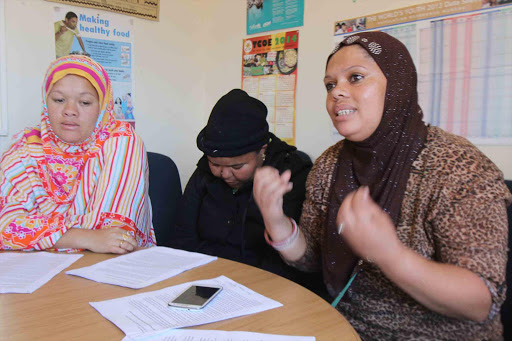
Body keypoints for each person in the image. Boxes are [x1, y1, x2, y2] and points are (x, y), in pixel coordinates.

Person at [253, 32, 511, 339]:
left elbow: (481, 302)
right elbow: (311, 260)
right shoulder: (328, 165)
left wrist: (390, 254)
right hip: (342, 328)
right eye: (330, 85)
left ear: (397, 85)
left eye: (356, 77)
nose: (337, 93)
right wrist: (276, 220)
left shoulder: (459, 166)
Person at [172, 89, 325, 296]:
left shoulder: (291, 175)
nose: (224, 173)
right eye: (215, 163)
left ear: (262, 150)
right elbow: (182, 239)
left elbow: (293, 265)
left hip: (264, 289)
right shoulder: (204, 174)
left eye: (237, 166)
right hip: (203, 282)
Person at [0, 55, 155, 253]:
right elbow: (6, 228)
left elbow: (113, 235)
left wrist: (37, 234)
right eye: (59, 99)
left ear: (102, 105)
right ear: (45, 101)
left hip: (105, 271)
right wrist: (84, 237)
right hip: (37, 274)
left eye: (85, 102)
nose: (70, 110)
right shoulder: (24, 148)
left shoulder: (122, 141)